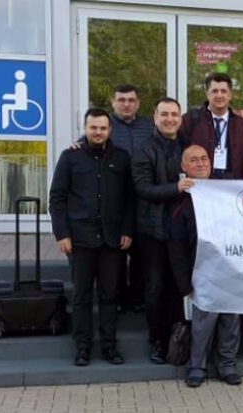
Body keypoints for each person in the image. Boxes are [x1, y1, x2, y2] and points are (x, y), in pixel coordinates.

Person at [49, 107, 134, 366]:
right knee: (82, 297)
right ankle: (83, 348)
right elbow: (57, 198)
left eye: (103, 128)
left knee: (109, 296)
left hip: (112, 240)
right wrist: (61, 234)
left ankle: (109, 347)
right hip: (79, 239)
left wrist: (127, 230)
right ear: (85, 128)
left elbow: (129, 199)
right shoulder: (70, 157)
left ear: (110, 130)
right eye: (93, 127)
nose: (98, 132)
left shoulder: (122, 158)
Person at [167, 144, 243, 387]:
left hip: (229, 270)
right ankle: (196, 367)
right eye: (194, 160)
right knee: (202, 324)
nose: (200, 163)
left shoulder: (227, 193)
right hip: (201, 274)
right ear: (183, 167)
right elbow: (177, 250)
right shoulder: (180, 204)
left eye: (204, 159)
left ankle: (227, 365)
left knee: (231, 321)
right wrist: (185, 285)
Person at [131, 97, 190, 365]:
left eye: (174, 114)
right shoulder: (144, 149)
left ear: (180, 118)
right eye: (164, 114)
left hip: (181, 231)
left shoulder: (187, 146)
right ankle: (156, 340)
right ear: (155, 118)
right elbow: (142, 188)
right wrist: (175, 188)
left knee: (179, 287)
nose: (169, 119)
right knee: (155, 288)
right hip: (152, 230)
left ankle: (178, 340)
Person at [109, 84, 154, 314]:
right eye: (121, 100)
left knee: (141, 254)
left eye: (131, 100)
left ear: (138, 103)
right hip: (114, 200)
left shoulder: (149, 127)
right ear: (113, 102)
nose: (126, 104)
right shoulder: (106, 125)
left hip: (144, 200)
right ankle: (118, 297)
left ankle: (137, 297)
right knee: (116, 254)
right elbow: (88, 142)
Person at [181, 73, 243, 180]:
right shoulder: (191, 120)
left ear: (230, 95)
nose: (219, 95)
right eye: (214, 91)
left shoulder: (241, 124)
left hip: (232, 183)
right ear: (207, 94)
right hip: (200, 182)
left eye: (223, 91)